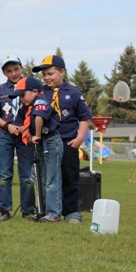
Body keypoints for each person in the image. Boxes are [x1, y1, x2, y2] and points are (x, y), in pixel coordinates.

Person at [32, 55, 92, 224]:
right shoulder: (42, 93)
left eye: (50, 73)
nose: (46, 78)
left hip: (68, 141)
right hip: (48, 142)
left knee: (69, 176)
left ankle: (72, 212)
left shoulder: (73, 93)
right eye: (44, 75)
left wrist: (80, 138)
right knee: (49, 178)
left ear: (62, 72)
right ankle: (49, 210)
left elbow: (83, 118)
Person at [0, 55, 36, 220]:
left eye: (16, 69)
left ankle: (28, 210)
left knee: (27, 174)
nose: (13, 73)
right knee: (4, 173)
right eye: (9, 71)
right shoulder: (0, 90)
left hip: (26, 136)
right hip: (7, 135)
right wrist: (7, 126)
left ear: (21, 68)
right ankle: (3, 209)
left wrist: (28, 127)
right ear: (4, 73)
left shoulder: (31, 86)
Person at [10, 76, 63, 222]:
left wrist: (37, 135)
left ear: (34, 91)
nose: (21, 98)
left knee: (51, 179)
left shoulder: (40, 100)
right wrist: (25, 132)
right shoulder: (25, 106)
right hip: (41, 145)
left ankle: (54, 213)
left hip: (50, 141)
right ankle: (43, 211)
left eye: (22, 94)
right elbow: (20, 122)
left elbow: (39, 117)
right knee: (42, 179)